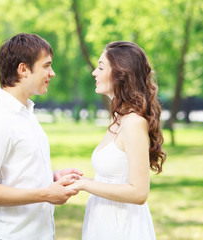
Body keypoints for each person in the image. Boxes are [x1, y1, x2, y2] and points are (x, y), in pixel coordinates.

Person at [0, 33, 82, 240]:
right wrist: (46, 193)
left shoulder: (25, 114)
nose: (52, 73)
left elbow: (17, 173)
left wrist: (51, 176)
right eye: (46, 66)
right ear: (23, 69)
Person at [68, 41, 167, 240]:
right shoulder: (118, 119)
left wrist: (85, 184)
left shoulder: (133, 123)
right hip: (102, 222)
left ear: (121, 73)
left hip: (122, 226)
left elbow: (139, 193)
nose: (94, 72)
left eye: (101, 67)